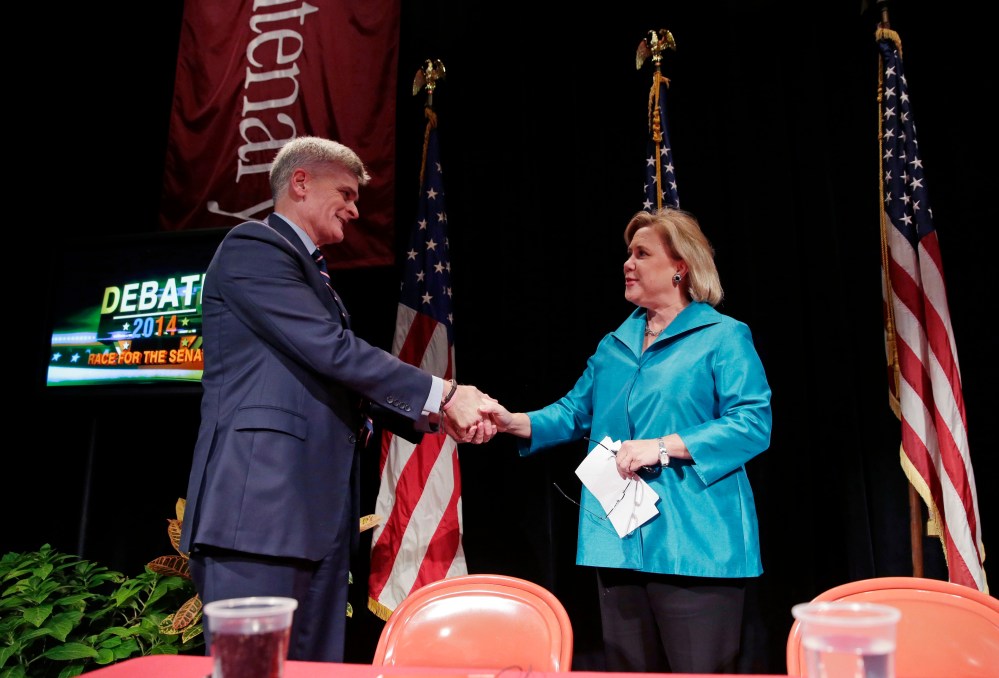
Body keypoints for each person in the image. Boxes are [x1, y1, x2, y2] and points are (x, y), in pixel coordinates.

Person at [179, 135, 496, 663]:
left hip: (315, 521)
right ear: (301, 183)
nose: (354, 209)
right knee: (253, 672)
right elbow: (332, 351)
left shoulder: (313, 277)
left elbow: (338, 379)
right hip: (257, 518)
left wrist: (441, 416)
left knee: (315, 671)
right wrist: (445, 392)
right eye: (346, 194)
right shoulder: (252, 248)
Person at [480, 207, 772, 674]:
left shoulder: (723, 336)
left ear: (680, 267)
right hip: (618, 540)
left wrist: (662, 446)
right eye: (628, 253)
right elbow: (574, 412)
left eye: (642, 253)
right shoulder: (614, 345)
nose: (627, 263)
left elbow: (752, 422)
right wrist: (512, 421)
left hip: (695, 544)